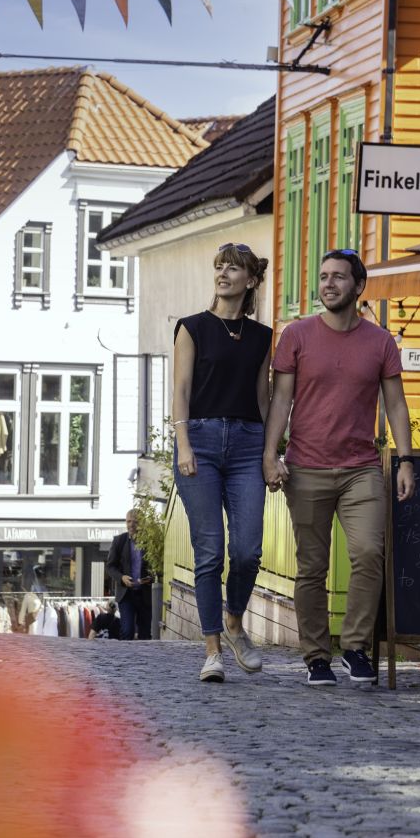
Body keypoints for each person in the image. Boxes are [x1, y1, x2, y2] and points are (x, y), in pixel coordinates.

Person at [263, 249, 416, 687]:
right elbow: (281, 401)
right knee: (312, 566)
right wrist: (270, 454)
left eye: (339, 277)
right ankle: (315, 656)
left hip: (361, 469)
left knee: (369, 552)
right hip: (306, 468)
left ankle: (354, 647)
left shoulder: (381, 342)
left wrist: (406, 460)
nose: (328, 284)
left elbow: (396, 404)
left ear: (358, 287)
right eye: (324, 276)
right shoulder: (297, 336)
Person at [171, 241, 273, 683]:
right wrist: (183, 444)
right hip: (202, 442)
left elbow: (264, 398)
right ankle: (212, 648)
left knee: (248, 550)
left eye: (233, 269)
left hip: (249, 444)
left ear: (250, 280)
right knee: (209, 551)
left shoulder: (264, 337)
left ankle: (235, 621)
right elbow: (180, 390)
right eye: (219, 267)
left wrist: (273, 452)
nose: (223, 274)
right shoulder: (191, 328)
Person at [105, 510, 156, 640]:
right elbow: (110, 566)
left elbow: (156, 567)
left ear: (142, 524)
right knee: (127, 630)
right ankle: (125, 659)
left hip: (144, 594)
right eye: (128, 521)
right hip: (126, 594)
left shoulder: (150, 542)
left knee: (145, 633)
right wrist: (121, 577)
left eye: (135, 522)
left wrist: (151, 577)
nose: (131, 525)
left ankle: (143, 659)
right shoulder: (119, 541)